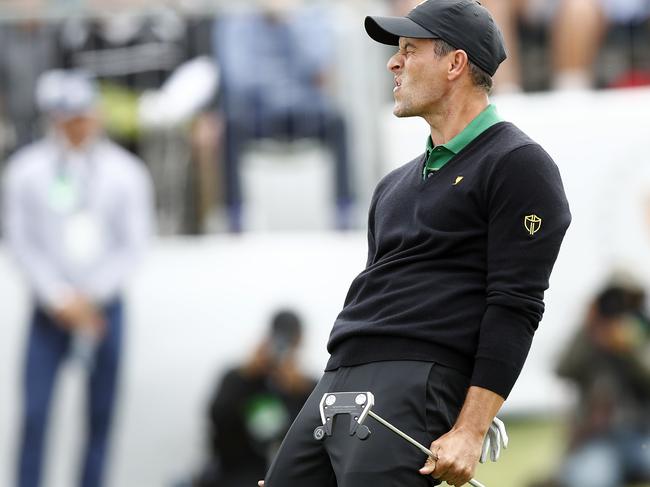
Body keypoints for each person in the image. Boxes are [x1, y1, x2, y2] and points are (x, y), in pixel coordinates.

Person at [259, 1, 571, 486]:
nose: (392, 62)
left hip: (416, 382)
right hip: (336, 376)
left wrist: (471, 428)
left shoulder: (519, 163)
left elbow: (516, 305)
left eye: (409, 49)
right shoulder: (392, 186)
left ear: (455, 64)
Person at [2, 69, 154, 487]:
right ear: (54, 119)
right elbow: (21, 242)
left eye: (85, 116)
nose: (79, 126)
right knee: (34, 414)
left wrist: (92, 296)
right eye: (69, 118)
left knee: (101, 416)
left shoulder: (126, 172)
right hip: (51, 310)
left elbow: (134, 245)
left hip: (104, 310)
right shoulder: (26, 171)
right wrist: (58, 297)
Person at [214, 0, 354, 232]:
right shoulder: (236, 22)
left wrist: (291, 24)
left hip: (305, 113)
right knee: (230, 126)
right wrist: (279, 88)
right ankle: (235, 213)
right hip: (259, 114)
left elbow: (318, 65)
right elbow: (238, 78)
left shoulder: (312, 17)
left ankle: (344, 208)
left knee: (339, 121)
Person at [195, 310, 316, 487]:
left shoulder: (307, 387)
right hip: (235, 472)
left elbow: (309, 438)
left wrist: (295, 392)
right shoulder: (238, 377)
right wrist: (248, 377)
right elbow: (217, 419)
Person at [553, 276, 650, 487]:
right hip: (599, 440)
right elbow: (562, 368)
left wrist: (630, 347)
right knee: (587, 480)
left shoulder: (643, 329)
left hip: (642, 434)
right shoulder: (589, 334)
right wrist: (589, 330)